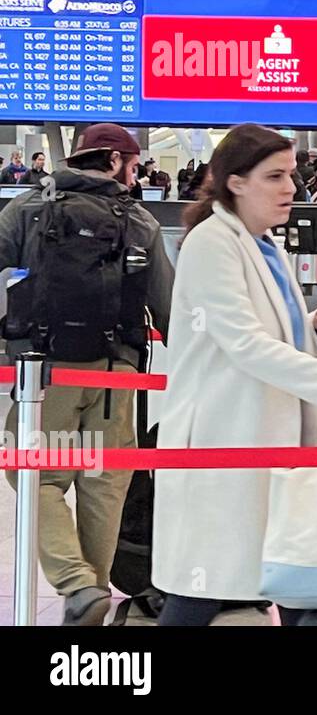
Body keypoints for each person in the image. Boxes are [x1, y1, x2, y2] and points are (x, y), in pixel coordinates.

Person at [152, 124, 317, 626]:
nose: (291, 188)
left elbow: (269, 336)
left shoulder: (266, 245)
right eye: (275, 176)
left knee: (279, 569)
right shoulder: (212, 244)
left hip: (264, 434)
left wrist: (316, 322)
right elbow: (244, 344)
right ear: (236, 182)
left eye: (292, 175)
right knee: (204, 579)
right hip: (224, 438)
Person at [0, 123, 173, 626]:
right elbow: (168, 309)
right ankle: (88, 602)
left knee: (36, 476)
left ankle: (78, 587)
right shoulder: (139, 221)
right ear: (115, 161)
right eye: (134, 165)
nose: (136, 176)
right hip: (116, 379)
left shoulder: (29, 209)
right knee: (104, 486)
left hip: (47, 374)